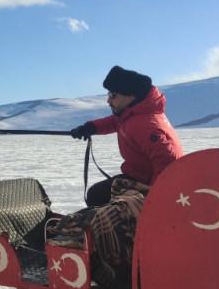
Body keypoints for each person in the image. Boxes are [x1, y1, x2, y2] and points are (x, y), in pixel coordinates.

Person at [71, 65, 183, 207]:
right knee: (97, 194)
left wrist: (155, 196)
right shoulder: (133, 113)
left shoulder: (145, 124)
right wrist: (90, 128)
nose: (108, 101)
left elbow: (168, 160)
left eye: (113, 95)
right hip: (139, 175)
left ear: (130, 95)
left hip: (148, 182)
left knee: (96, 196)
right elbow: (114, 122)